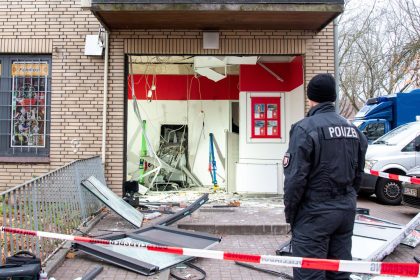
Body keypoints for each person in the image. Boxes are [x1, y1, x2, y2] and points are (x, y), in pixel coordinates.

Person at [283, 73, 368, 280]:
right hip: (345, 212)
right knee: (338, 274)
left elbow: (295, 180)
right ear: (334, 97)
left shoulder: (304, 128)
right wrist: (346, 199)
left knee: (309, 274)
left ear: (310, 97)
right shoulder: (354, 130)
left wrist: (291, 216)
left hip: (314, 215)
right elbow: (359, 175)